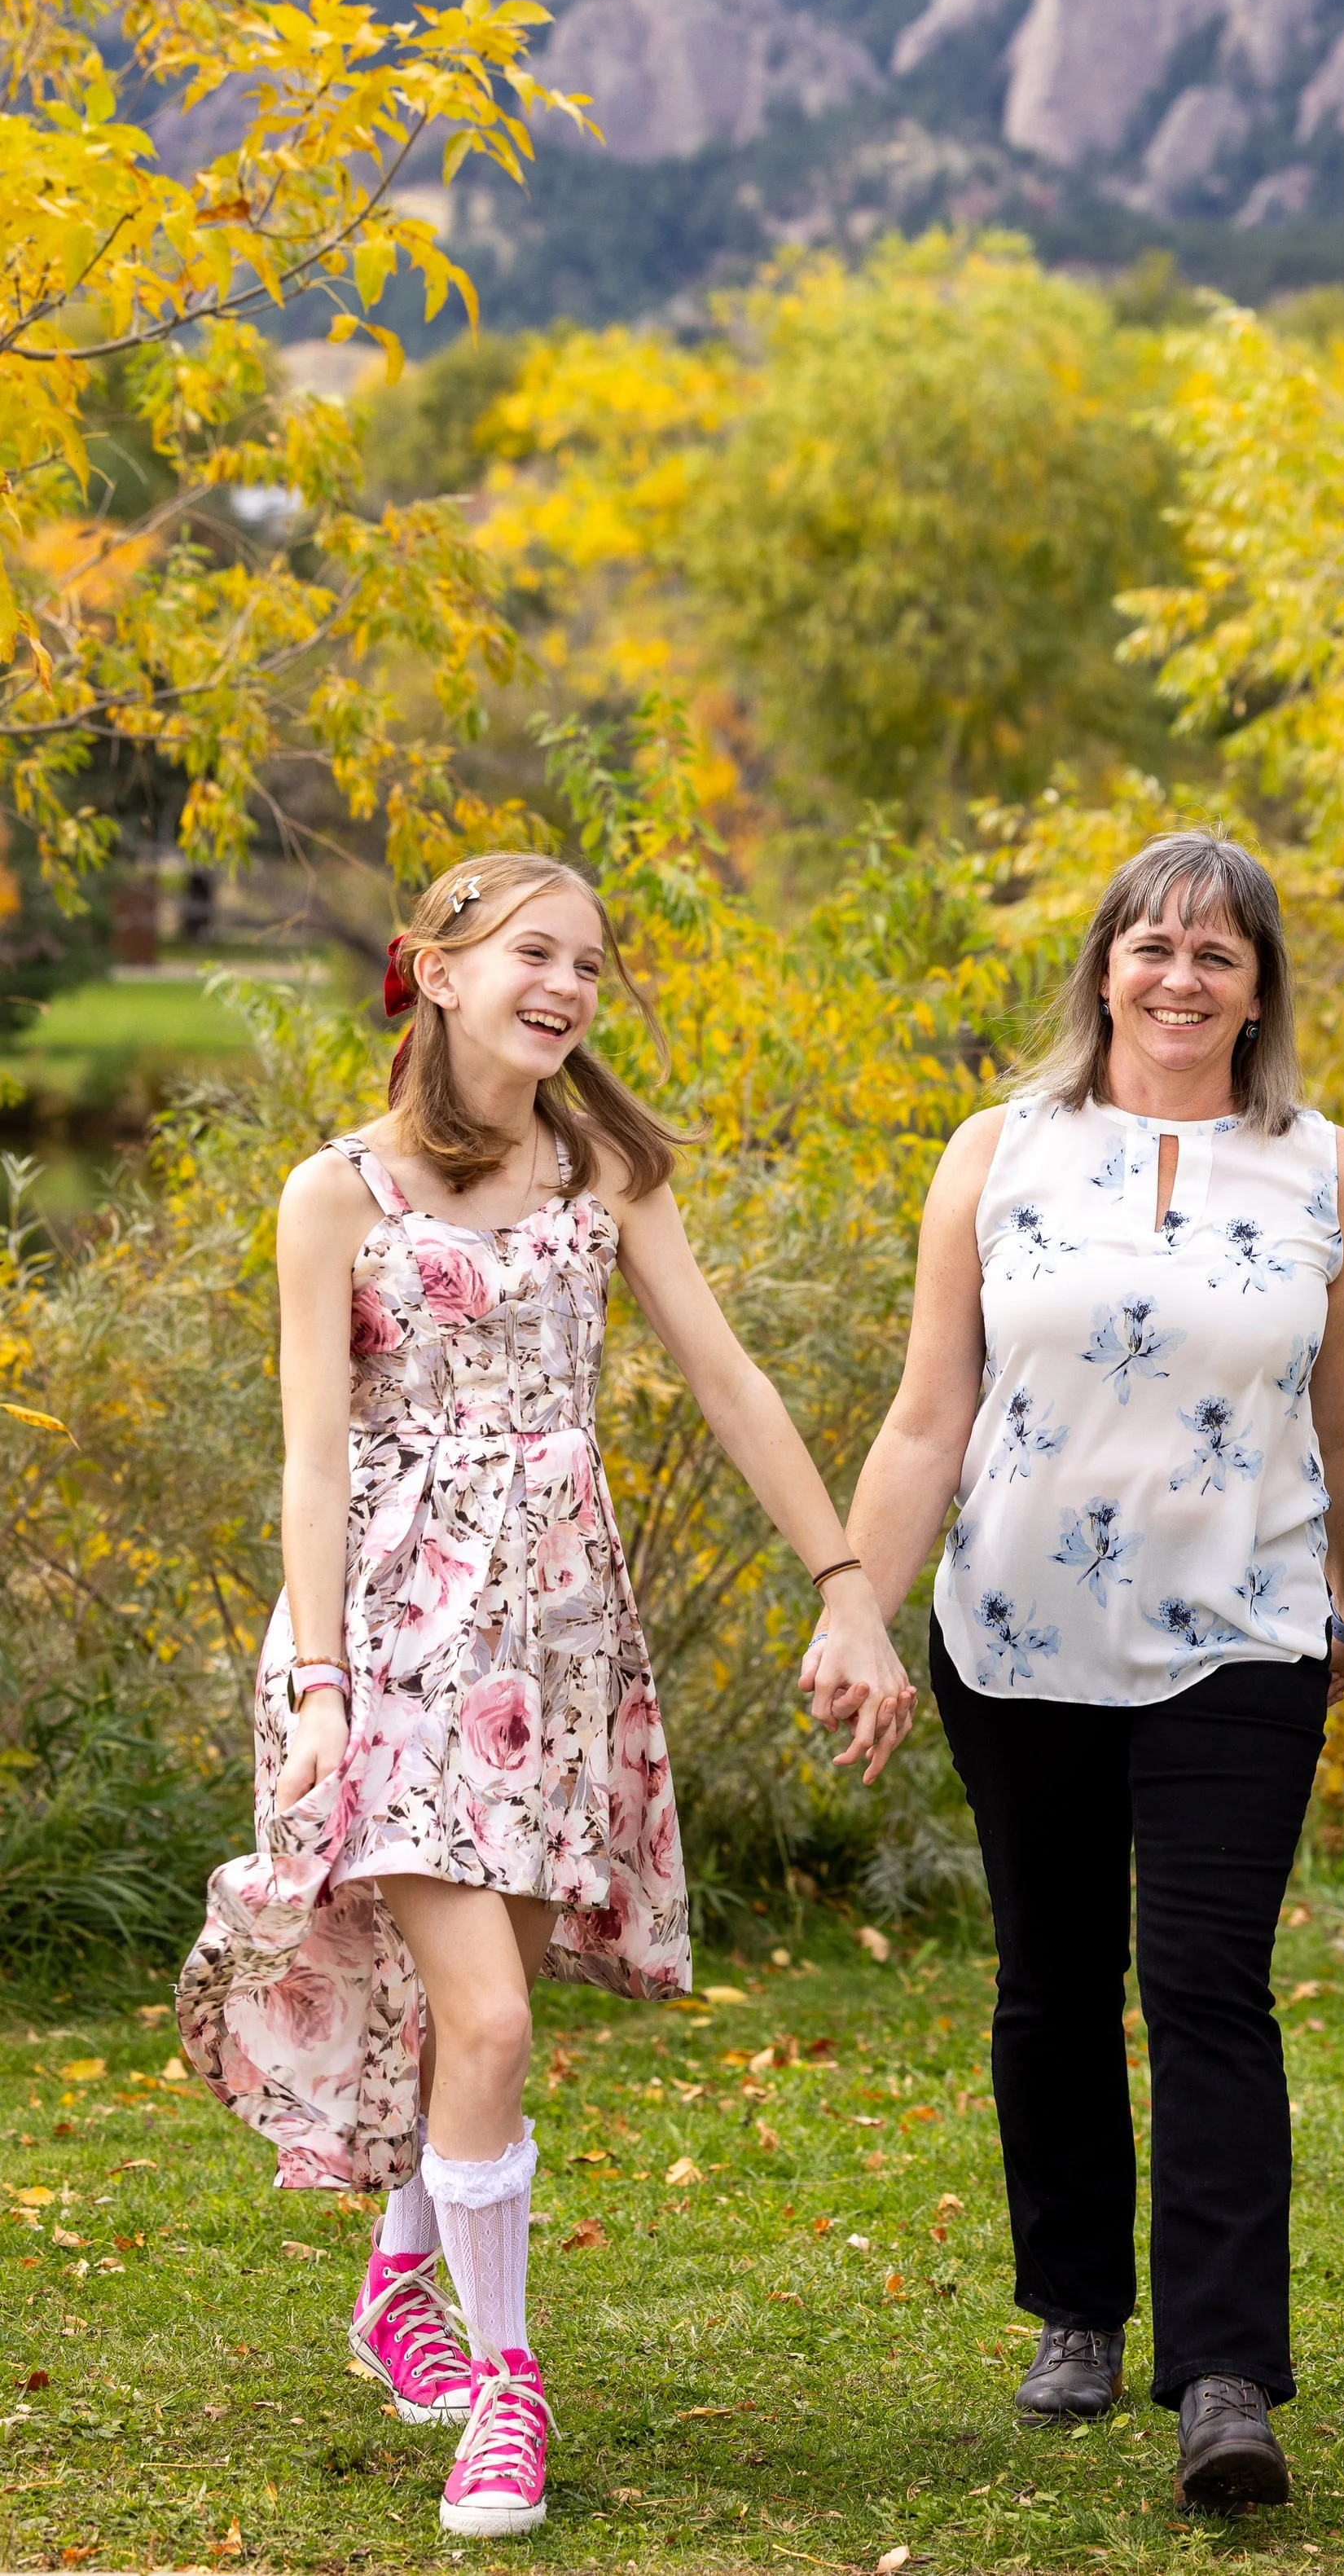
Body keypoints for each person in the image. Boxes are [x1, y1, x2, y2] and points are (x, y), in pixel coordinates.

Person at [178, 852, 914, 2539]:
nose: (569, 983)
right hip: (390, 1632)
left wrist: (844, 1584)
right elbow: (309, 1450)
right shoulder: (334, 1192)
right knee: (492, 2022)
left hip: (556, 1645)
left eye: (590, 960)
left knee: (479, 2007)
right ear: (431, 968)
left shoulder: (602, 1168)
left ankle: (395, 2281)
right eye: (533, 950)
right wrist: (316, 1689)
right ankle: (507, 2391)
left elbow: (725, 1379)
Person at [806, 831, 1344, 2514]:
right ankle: (1073, 2301)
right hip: (1014, 1629)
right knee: (1050, 1977)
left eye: (1217, 952)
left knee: (1205, 1978)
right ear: (1102, 966)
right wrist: (855, 1601)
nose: (1180, 977)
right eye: (1151, 946)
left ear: (1259, 984)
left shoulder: (1328, 1169)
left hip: (1241, 1625)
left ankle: (1222, 2371)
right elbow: (930, 1412)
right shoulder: (997, 1151)